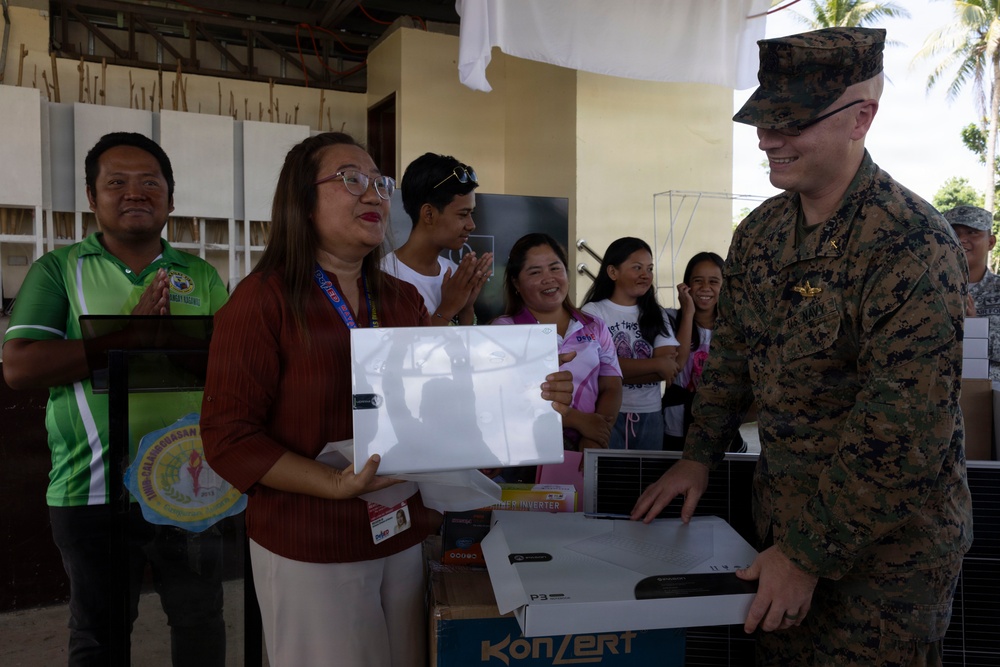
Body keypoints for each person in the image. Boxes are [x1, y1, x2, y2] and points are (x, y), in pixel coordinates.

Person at [631, 27, 973, 666]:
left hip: (885, 570)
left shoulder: (911, 245)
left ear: (861, 118)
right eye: (765, 119)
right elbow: (731, 359)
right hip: (782, 539)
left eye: (791, 123)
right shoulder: (760, 234)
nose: (767, 138)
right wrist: (698, 455)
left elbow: (905, 432)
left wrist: (805, 557)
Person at [198, 133, 575, 667]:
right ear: (302, 200)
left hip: (399, 532)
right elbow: (229, 437)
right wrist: (334, 482)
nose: (373, 194)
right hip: (312, 542)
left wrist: (528, 399)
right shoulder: (263, 300)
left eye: (379, 183)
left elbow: (439, 406)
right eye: (352, 179)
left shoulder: (399, 299)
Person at [2, 132, 229, 666]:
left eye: (150, 182)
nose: (135, 193)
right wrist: (125, 337)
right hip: (92, 488)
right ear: (92, 196)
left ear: (170, 198)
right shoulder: (58, 269)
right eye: (117, 182)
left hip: (188, 482)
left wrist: (172, 342)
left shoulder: (199, 274)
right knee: (100, 633)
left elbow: (231, 365)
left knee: (200, 621)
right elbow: (20, 366)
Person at [493, 233, 623, 454]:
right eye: (535, 272)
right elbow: (503, 399)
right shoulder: (503, 330)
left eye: (555, 268)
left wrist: (596, 433)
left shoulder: (594, 326)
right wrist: (577, 420)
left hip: (587, 448)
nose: (549, 278)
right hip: (526, 449)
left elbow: (612, 386)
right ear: (516, 283)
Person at [581, 236, 679, 450]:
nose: (646, 275)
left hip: (651, 414)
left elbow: (669, 366)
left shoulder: (657, 314)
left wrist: (615, 372)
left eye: (649, 268)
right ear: (613, 272)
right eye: (637, 267)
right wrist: (656, 364)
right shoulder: (594, 312)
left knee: (647, 472)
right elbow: (596, 367)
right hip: (607, 413)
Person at [383, 152, 492, 325]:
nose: (471, 225)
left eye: (471, 213)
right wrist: (447, 308)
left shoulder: (454, 273)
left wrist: (466, 307)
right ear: (429, 214)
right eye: (463, 214)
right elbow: (406, 343)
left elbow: (466, 341)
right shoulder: (385, 277)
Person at [661, 252, 724, 450]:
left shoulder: (731, 327)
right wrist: (688, 312)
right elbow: (677, 365)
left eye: (713, 281)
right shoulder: (670, 319)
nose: (705, 287)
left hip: (718, 421)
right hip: (676, 421)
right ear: (687, 285)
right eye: (698, 281)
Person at [943, 205, 1000, 380]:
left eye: (972, 232)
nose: (961, 240)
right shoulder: (929, 291)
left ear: (991, 242)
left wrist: (974, 328)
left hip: (992, 390)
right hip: (940, 389)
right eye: (954, 233)